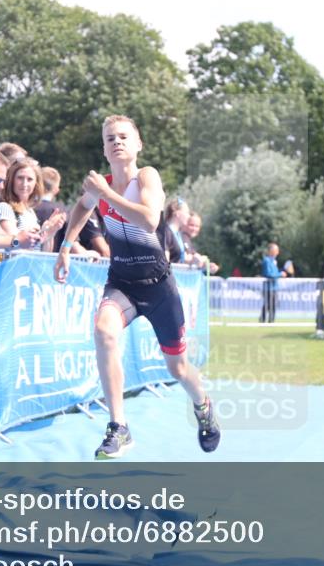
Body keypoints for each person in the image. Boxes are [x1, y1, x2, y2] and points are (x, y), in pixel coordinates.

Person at [53, 114, 219, 459]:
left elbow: (149, 218)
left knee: (178, 368)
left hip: (158, 287)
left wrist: (104, 194)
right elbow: (81, 208)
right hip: (122, 284)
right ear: (104, 148)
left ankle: (203, 407)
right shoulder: (102, 185)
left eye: (124, 136)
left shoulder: (147, 177)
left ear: (138, 144)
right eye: (110, 138)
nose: (117, 142)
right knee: (104, 331)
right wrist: (66, 247)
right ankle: (119, 426)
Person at [35, 166, 109, 256]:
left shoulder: (27, 208)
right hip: (52, 264)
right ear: (56, 190)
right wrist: (91, 255)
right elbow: (74, 247)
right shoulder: (62, 211)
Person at [0, 159, 63, 250]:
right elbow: (14, 246)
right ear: (11, 180)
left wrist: (49, 232)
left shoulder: (30, 211)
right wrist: (40, 237)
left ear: (36, 184)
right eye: (20, 178)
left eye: (29, 179)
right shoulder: (4, 207)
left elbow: (44, 253)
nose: (24, 184)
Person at [260, 242, 287, 323]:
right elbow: (269, 274)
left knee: (273, 304)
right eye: (276, 250)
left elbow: (274, 273)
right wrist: (280, 274)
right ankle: (264, 319)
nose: (277, 252)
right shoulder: (267, 261)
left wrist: (280, 273)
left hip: (274, 287)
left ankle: (270, 320)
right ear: (270, 251)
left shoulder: (274, 261)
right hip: (268, 287)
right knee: (268, 304)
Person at [163, 197, 191, 265]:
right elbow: (164, 262)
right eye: (187, 213)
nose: (189, 216)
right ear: (177, 213)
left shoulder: (178, 234)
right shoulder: (166, 232)